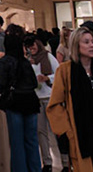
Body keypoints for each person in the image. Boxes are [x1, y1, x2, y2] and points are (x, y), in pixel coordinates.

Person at [48, 25, 93, 172]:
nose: (91, 46)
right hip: (82, 134)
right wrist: (66, 131)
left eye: (92, 42)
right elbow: (55, 105)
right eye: (86, 42)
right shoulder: (65, 71)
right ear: (76, 45)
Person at [0, 25, 43, 172]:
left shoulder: (5, 61)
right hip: (31, 102)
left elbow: (1, 84)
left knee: (17, 143)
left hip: (15, 102)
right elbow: (34, 83)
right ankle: (35, 168)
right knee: (32, 140)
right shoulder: (25, 62)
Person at [28, 32, 61, 172]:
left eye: (33, 45)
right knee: (41, 131)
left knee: (57, 130)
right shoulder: (28, 60)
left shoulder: (48, 56)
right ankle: (47, 161)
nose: (31, 48)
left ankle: (65, 161)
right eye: (29, 47)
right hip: (37, 98)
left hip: (50, 97)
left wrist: (47, 78)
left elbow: (59, 72)